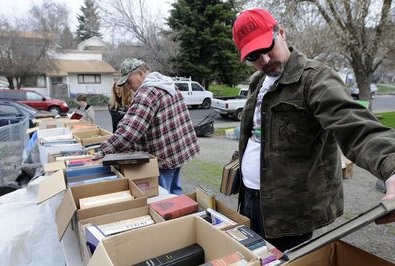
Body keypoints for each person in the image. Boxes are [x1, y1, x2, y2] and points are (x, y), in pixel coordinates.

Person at [231, 8, 395, 251]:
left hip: (289, 211)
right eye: (254, 56)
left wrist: (392, 167)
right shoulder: (258, 82)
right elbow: (255, 135)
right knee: (252, 256)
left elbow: (354, 124)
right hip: (250, 198)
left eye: (267, 47)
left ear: (282, 33)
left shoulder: (315, 79)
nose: (264, 61)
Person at [92, 58, 200, 194]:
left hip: (162, 156)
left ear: (141, 73)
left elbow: (129, 132)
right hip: (177, 151)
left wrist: (103, 151)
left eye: (129, 81)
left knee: (162, 198)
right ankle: (182, 213)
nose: (128, 87)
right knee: (175, 192)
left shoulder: (146, 93)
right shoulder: (167, 84)